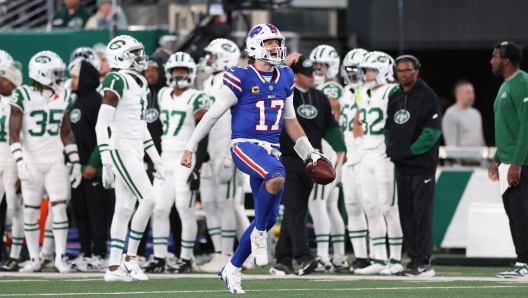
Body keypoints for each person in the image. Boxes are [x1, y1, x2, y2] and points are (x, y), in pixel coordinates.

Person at [181, 23, 329, 294]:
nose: (275, 47)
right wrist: (191, 146)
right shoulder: (241, 75)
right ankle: (260, 237)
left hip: (271, 148)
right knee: (276, 176)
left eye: (277, 42)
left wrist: (310, 152)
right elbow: (212, 114)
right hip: (244, 145)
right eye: (269, 43)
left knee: (270, 217)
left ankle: (232, 268)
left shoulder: (285, 75)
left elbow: (291, 121)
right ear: (254, 47)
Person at [95, 35, 166, 282]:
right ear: (120, 56)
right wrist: (105, 159)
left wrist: (156, 159)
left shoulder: (140, 82)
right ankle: (130, 259)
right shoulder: (116, 78)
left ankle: (113, 268)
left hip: (134, 146)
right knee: (148, 199)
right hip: (120, 147)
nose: (140, 57)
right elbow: (101, 124)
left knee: (124, 208)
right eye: (134, 53)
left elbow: (142, 126)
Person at [270, 54, 347, 277]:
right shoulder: (283, 93)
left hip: (310, 159)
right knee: (294, 208)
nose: (313, 76)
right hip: (285, 157)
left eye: (314, 72)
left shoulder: (319, 97)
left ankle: (282, 260)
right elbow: (269, 80)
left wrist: (341, 148)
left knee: (298, 210)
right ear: (295, 75)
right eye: (307, 73)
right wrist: (283, 65)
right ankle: (303, 257)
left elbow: (330, 127)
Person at [9, 51, 83, 273]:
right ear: (40, 73)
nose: (59, 78)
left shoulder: (62, 95)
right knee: (30, 211)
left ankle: (59, 257)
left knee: (59, 208)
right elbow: (13, 132)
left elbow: (66, 132)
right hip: (31, 160)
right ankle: (34, 258)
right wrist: (19, 159)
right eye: (55, 73)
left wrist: (75, 160)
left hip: (55, 160)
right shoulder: (22, 94)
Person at [147, 52, 210, 274]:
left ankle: (186, 258)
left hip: (186, 160)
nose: (180, 75)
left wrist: (198, 168)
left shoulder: (197, 97)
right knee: (160, 209)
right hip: (165, 159)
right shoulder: (163, 94)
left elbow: (203, 134)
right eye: (176, 71)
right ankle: (159, 257)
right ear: (170, 73)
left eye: (183, 71)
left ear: (191, 72)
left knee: (184, 209)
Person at [384, 54, 441, 277]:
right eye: (400, 70)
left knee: (421, 214)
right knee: (406, 213)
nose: (404, 74)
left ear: (417, 70)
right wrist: (391, 147)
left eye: (408, 70)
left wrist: (407, 151)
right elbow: (388, 127)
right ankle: (414, 260)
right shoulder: (395, 96)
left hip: (421, 166)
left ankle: (424, 261)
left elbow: (432, 133)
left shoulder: (428, 96)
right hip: (402, 165)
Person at [352, 51, 403, 275]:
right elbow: (357, 120)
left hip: (385, 156)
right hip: (367, 154)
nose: (366, 75)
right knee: (370, 207)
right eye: (365, 70)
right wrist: (359, 144)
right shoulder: (362, 91)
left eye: (370, 70)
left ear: (383, 71)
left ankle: (396, 259)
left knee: (389, 207)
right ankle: (380, 259)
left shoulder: (393, 91)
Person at [197, 38, 245, 273]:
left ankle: (227, 254)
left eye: (212, 55)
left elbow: (232, 120)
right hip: (209, 150)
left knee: (226, 204)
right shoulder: (211, 81)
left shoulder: (232, 79)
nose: (208, 60)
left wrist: (228, 156)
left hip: (227, 149)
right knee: (209, 203)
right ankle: (219, 252)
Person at [68, 59, 116, 272]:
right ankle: (85, 252)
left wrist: (93, 163)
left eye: (75, 77)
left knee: (97, 215)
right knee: (80, 213)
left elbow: (104, 134)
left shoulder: (98, 101)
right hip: (78, 168)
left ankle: (100, 254)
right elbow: (68, 136)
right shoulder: (75, 103)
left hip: (94, 170)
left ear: (85, 78)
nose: (72, 81)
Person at [306, 45, 348, 272]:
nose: (319, 69)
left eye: (323, 65)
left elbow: (332, 111)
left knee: (318, 202)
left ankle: (323, 254)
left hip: (329, 150)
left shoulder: (331, 88)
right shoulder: (320, 87)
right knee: (331, 206)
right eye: (317, 65)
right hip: (329, 149)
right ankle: (339, 256)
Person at [488, 42, 528, 278]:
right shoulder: (506, 86)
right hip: (510, 160)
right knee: (514, 213)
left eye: (494, 56)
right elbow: (507, 128)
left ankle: (525, 263)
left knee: (521, 211)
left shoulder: (522, 83)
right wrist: (497, 158)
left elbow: (526, 125)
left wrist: (517, 163)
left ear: (505, 60)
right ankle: (522, 260)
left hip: (520, 162)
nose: (490, 61)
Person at [338, 48, 371, 272]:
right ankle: (361, 257)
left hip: (367, 153)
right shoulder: (344, 93)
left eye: (356, 69)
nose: (352, 74)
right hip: (348, 154)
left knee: (373, 207)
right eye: (349, 69)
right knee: (352, 206)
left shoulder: (371, 92)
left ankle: (380, 256)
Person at [0, 64, 24, 271]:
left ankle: (16, 255)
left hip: (13, 159)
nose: (1, 81)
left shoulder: (21, 102)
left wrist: (22, 166)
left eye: (5, 78)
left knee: (15, 208)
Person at [442, 80, 485, 146]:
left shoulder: (476, 114)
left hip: (478, 155)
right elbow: (451, 145)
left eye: (473, 92)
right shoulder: (451, 114)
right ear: (458, 94)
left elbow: (481, 141)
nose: (472, 96)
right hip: (463, 156)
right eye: (468, 93)